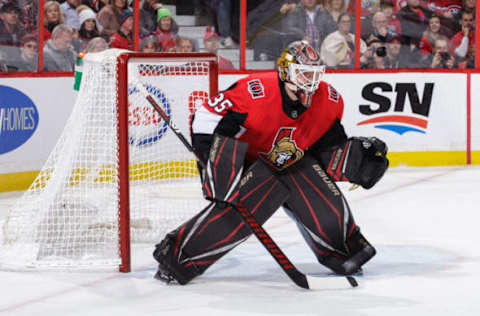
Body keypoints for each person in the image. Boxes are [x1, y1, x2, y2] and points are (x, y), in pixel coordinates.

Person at [152, 40, 389, 285]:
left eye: (316, 74)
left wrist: (350, 157)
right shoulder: (256, 91)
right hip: (244, 161)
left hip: (287, 159)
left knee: (320, 195)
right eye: (304, 74)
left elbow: (326, 145)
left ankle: (344, 253)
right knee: (235, 212)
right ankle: (177, 259)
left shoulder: (328, 100)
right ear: (286, 71)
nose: (312, 81)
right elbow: (207, 116)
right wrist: (212, 159)